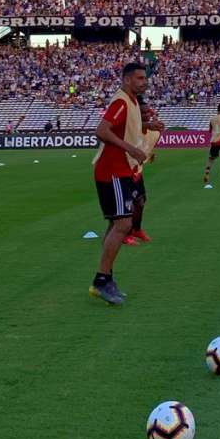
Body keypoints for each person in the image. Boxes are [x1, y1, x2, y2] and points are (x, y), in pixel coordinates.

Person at [90, 63, 149, 305]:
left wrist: (147, 129)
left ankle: (107, 278)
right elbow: (102, 131)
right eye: (139, 78)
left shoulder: (132, 101)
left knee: (117, 224)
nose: (143, 81)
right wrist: (132, 149)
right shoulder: (121, 101)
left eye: (145, 77)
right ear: (126, 80)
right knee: (123, 224)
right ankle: (101, 280)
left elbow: (127, 131)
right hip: (111, 170)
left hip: (122, 170)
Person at [127, 96, 165, 245]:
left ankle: (136, 229)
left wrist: (150, 156)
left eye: (148, 113)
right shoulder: (130, 130)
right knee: (128, 204)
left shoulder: (154, 133)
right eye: (143, 114)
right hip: (125, 171)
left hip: (137, 171)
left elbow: (147, 149)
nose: (147, 116)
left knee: (141, 201)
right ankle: (125, 233)